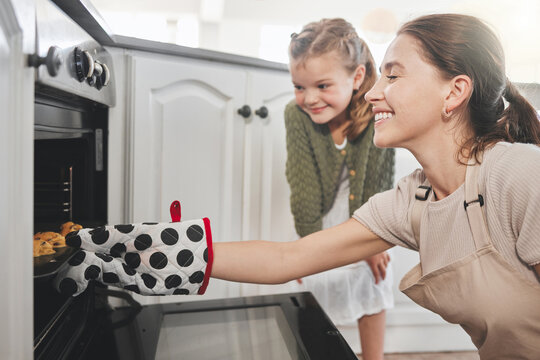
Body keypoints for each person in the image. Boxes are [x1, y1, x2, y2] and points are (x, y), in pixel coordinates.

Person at [56, 13, 540, 359]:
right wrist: (143, 252)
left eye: (392, 75)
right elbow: (289, 259)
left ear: (454, 92)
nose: (373, 92)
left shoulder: (518, 174)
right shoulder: (411, 200)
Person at [284, 18, 394, 360]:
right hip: (321, 220)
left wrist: (373, 241)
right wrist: (307, 250)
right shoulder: (296, 115)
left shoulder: (378, 111)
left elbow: (379, 185)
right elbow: (302, 189)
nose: (309, 98)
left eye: (322, 85)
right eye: (299, 87)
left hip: (366, 216)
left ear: (356, 77)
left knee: (371, 283)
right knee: (316, 295)